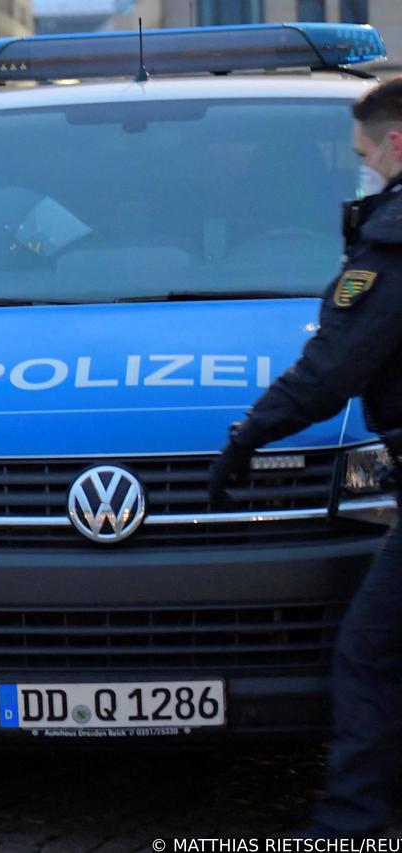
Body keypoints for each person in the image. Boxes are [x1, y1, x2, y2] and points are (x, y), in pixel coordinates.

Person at [206, 78, 402, 839]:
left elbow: (333, 367)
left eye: (363, 157)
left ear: (395, 143)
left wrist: (249, 435)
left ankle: (350, 826)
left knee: (369, 651)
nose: (362, 172)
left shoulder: (393, 242)